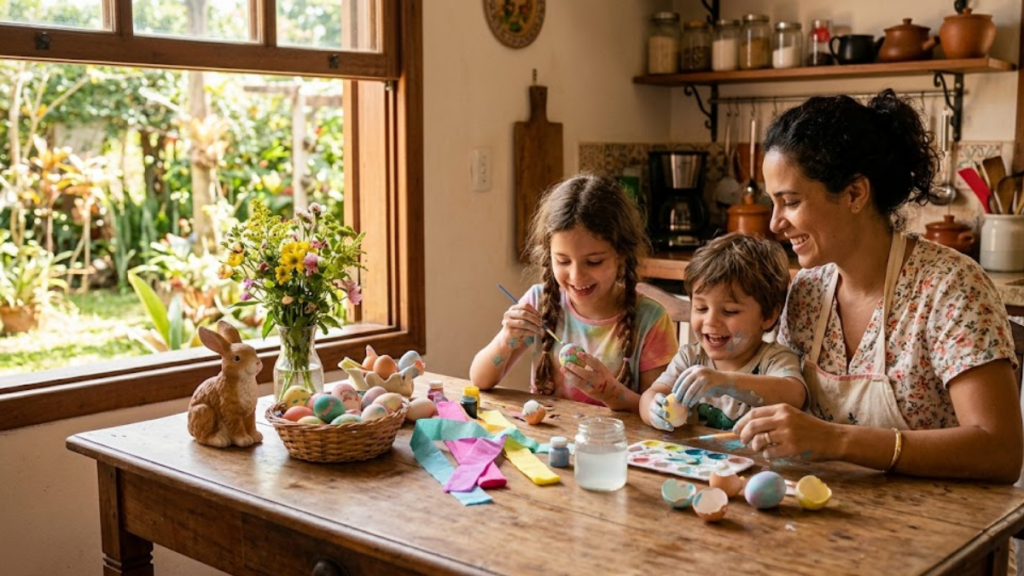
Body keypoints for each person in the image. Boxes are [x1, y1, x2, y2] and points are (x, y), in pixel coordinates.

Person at [734, 89, 1023, 483]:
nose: (775, 224)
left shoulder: (950, 288)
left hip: (940, 531)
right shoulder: (808, 292)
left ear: (855, 193)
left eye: (791, 201)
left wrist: (839, 440)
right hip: (827, 515)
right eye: (774, 202)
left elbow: (1000, 452)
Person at [469, 174, 678, 410]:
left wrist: (608, 391)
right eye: (563, 261)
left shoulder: (651, 320)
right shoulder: (540, 303)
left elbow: (661, 411)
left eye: (594, 261)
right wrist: (505, 340)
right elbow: (480, 380)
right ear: (549, 257)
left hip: (617, 444)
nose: (577, 276)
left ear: (621, 255)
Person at [640, 233, 806, 431]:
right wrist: (654, 409)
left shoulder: (774, 359)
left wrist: (726, 382)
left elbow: (794, 395)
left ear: (768, 315)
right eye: (701, 308)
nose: (710, 321)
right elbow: (652, 394)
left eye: (729, 311)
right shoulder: (690, 358)